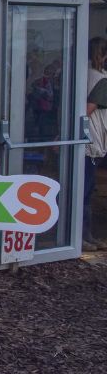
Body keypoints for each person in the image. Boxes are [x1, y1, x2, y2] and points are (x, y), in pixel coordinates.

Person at [83, 37, 107, 251]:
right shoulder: (100, 79)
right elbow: (88, 110)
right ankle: (83, 237)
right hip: (90, 141)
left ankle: (84, 236)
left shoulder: (81, 74)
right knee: (86, 189)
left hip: (84, 139)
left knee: (85, 188)